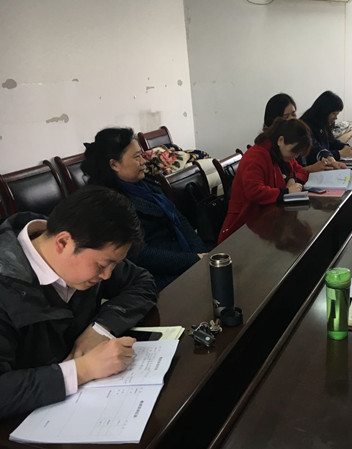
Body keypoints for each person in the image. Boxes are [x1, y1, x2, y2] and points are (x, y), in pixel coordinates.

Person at [0, 186, 157, 418]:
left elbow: (142, 281)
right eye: (102, 265)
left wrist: (100, 328)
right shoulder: (7, 285)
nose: (107, 275)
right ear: (63, 243)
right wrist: (82, 370)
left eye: (113, 265)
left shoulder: (85, 242)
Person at [82, 127, 207, 291]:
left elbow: (180, 219)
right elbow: (140, 255)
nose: (144, 161)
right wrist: (193, 260)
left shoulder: (146, 184)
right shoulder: (107, 203)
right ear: (114, 164)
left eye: (141, 155)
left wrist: (199, 253)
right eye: (137, 157)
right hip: (153, 277)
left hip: (184, 257)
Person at [219, 118, 311, 243]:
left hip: (269, 217)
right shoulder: (256, 156)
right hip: (244, 224)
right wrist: (286, 191)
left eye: (298, 153)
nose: (295, 156)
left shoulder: (281, 153)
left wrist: (294, 181)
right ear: (281, 141)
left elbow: (301, 171)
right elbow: (254, 191)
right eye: (294, 151)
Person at [263, 93, 332, 173]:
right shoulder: (268, 150)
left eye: (293, 114)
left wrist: (330, 158)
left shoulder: (298, 133)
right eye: (286, 117)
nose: (292, 119)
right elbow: (286, 174)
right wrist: (311, 169)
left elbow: (314, 148)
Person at [300, 90, 352, 169]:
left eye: (337, 114)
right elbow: (315, 152)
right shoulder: (305, 126)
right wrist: (340, 153)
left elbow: (332, 141)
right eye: (334, 113)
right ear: (324, 111)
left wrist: (345, 147)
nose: (336, 117)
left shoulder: (323, 123)